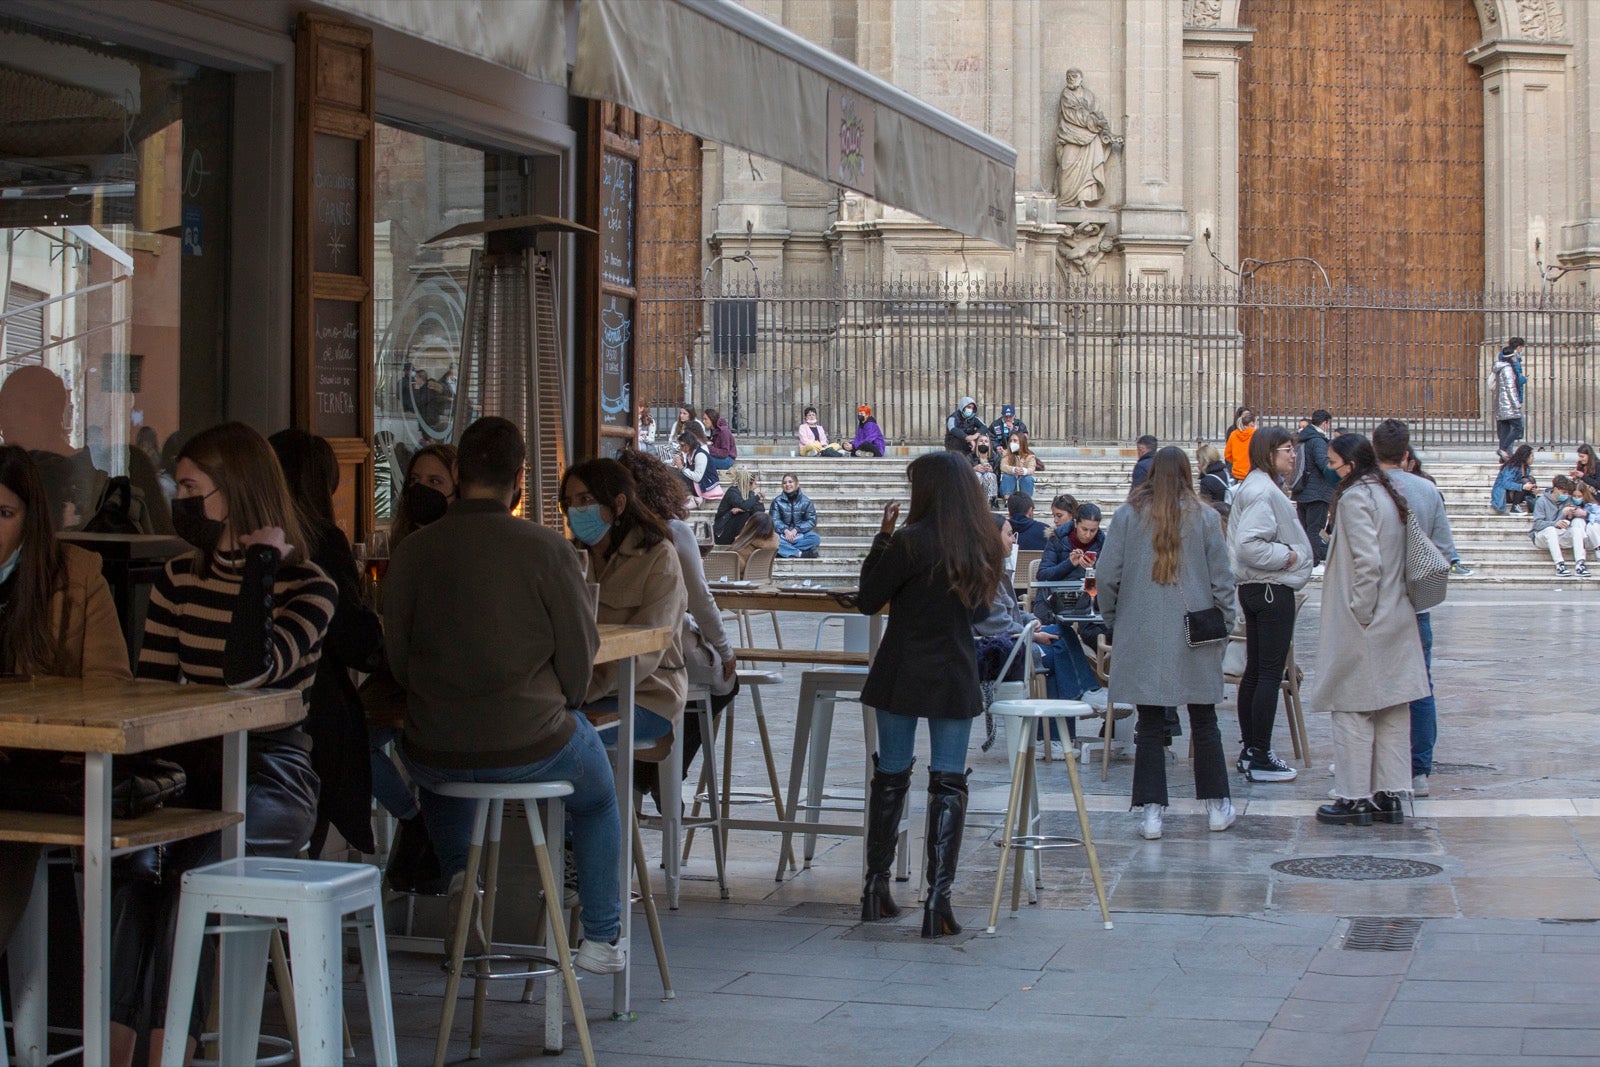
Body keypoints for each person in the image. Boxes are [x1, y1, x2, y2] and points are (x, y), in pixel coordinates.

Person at [115, 422, 336, 1064]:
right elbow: (151, 691)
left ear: (235, 493)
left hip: (272, 774)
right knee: (132, 866)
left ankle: (170, 1049)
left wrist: (261, 565)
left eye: (191, 488)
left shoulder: (308, 586)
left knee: (194, 870)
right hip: (191, 769)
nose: (180, 501)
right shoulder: (178, 577)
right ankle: (118, 1046)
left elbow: (249, 672)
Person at [385, 418, 625, 975]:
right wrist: (563, 704)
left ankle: (460, 881)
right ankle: (602, 938)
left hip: (432, 743)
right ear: (520, 478)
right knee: (597, 798)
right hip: (531, 738)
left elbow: (397, 659)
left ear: (459, 474)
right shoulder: (545, 549)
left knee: (443, 779)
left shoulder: (414, 552)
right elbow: (577, 656)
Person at [855, 452, 1005, 936]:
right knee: (949, 782)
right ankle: (938, 901)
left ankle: (876, 888)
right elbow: (983, 612)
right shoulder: (981, 546)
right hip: (953, 670)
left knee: (891, 774)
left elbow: (867, 600)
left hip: (901, 669)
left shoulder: (908, 541)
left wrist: (882, 537)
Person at [0, 446, 131, 989]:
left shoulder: (75, 576)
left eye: (4, 514)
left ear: (32, 520)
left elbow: (110, 689)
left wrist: (37, 733)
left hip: (29, 772)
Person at [1097, 446, 1237, 841]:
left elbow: (1107, 576)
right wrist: (1224, 623)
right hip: (1195, 632)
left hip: (1141, 631)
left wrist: (1114, 620)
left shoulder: (1127, 516)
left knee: (1151, 722)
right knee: (1204, 719)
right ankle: (1216, 806)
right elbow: (1223, 580)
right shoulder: (1207, 518)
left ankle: (1152, 813)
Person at [268, 428, 382, 856]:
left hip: (251, 731)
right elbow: (355, 641)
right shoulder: (321, 542)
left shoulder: (242, 542)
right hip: (310, 724)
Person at [1311, 434, 1430, 825]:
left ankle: (1354, 797)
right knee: (1392, 709)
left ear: (1349, 461)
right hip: (1397, 613)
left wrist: (1359, 611)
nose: (1330, 469)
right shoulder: (1388, 492)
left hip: (1368, 618)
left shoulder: (1355, 498)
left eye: (1333, 462)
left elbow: (1368, 562)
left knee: (1352, 708)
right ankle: (1389, 794)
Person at [617, 448, 737, 802]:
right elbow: (701, 600)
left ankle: (648, 769)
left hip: (621, 661)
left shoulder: (605, 535)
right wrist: (726, 650)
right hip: (667, 653)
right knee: (728, 683)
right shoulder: (672, 531)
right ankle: (662, 769)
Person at [378, 441, 459, 893]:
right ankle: (415, 819)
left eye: (435, 482)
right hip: (406, 684)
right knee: (354, 739)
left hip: (443, 698)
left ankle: (442, 855)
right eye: (415, 482)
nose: (422, 491)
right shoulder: (403, 544)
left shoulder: (469, 549)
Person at [1373, 419, 1462, 797]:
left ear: (1374, 453)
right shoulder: (1428, 491)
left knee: (1373, 686)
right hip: (1415, 605)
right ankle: (1418, 770)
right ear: (1407, 454)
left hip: (1375, 604)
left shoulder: (1364, 490)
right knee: (1421, 686)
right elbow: (1444, 553)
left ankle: (1375, 766)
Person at [1226, 426, 1313, 784]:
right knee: (1267, 673)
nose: (1293, 456)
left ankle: (1252, 749)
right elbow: (1249, 545)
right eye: (1287, 450)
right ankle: (1260, 753)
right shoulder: (1263, 491)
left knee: (1257, 671)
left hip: (1258, 588)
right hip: (1269, 588)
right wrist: (1289, 556)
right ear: (1269, 453)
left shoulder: (1258, 487)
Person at [1292, 409, 1339, 573]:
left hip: (1302, 490)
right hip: (1317, 492)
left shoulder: (1303, 438)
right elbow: (1323, 464)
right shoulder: (1318, 440)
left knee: (1305, 528)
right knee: (1315, 528)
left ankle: (1306, 559)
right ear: (1325, 422)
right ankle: (1314, 561)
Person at [1530, 474, 1590, 577]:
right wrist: (1556, 522)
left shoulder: (1567, 501)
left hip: (1560, 535)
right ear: (1556, 489)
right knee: (1550, 530)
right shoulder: (1542, 501)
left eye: (1567, 493)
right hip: (1542, 536)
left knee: (1576, 530)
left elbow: (1571, 519)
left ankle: (1580, 564)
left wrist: (1572, 514)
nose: (1566, 495)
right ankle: (1560, 565)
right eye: (1564, 492)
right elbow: (1538, 524)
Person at [1492, 337, 1527, 458]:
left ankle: (1504, 455)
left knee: (1505, 430)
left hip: (1502, 405)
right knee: (1518, 427)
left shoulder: (1500, 367)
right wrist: (1516, 403)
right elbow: (1511, 388)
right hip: (1509, 405)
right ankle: (1503, 450)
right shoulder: (1507, 369)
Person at [772, 473, 820, 558]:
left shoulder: (806, 501)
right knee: (772, 540)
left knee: (815, 538)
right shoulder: (777, 501)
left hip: (800, 535)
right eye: (784, 483)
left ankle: (785, 551)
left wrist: (796, 530)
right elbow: (774, 520)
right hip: (782, 536)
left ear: (797, 484)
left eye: (790, 482)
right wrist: (785, 530)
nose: (787, 485)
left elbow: (811, 520)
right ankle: (800, 553)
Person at [713, 467, 765, 544]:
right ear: (748, 484)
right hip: (722, 533)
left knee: (753, 515)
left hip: (734, 532)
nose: (756, 487)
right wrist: (757, 497)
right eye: (755, 484)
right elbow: (743, 505)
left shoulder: (749, 495)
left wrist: (745, 508)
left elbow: (760, 510)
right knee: (744, 514)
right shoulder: (732, 492)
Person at [1037, 493, 1080, 581]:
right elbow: (1042, 574)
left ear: (1072, 515)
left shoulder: (1094, 538)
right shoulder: (1054, 539)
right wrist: (1069, 563)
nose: (1055, 520)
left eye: (1059, 516)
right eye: (1054, 515)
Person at [676, 429, 723, 500]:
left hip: (706, 487)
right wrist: (683, 464)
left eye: (682, 445)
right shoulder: (690, 454)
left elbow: (697, 477)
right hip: (698, 485)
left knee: (676, 475)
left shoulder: (700, 455)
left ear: (689, 444)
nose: (681, 448)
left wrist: (682, 468)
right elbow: (690, 471)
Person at [1491, 444, 1537, 515]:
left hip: (1514, 493)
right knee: (1525, 481)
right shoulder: (1512, 466)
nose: (1533, 458)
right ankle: (1514, 507)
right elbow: (1505, 483)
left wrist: (1534, 489)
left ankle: (1532, 505)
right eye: (1532, 456)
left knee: (1531, 479)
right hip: (1504, 494)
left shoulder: (1526, 468)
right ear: (1526, 456)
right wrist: (1522, 487)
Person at [1196, 442, 1231, 520]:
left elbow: (1205, 508)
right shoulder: (1227, 473)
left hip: (1218, 519)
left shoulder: (1206, 481)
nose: (1197, 465)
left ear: (1204, 462)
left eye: (1199, 462)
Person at [1000, 431, 1039, 498]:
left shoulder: (1029, 456)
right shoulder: (1006, 454)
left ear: (1021, 442)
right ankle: (1007, 499)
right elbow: (1003, 466)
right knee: (1007, 477)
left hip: (1022, 480)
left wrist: (1024, 471)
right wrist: (1013, 469)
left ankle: (1026, 499)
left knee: (1028, 479)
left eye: (1015, 441)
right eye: (1011, 441)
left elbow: (1031, 468)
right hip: (1011, 483)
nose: (1012, 443)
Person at [1224, 407, 1256, 482]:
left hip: (1237, 474)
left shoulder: (1233, 434)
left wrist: (1236, 461)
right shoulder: (1256, 434)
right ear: (1252, 423)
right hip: (1251, 474)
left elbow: (1227, 455)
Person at [705, 406, 738, 471]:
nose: (703, 421)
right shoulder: (714, 430)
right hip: (719, 458)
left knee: (702, 459)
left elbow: (724, 452)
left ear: (712, 419)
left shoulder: (724, 431)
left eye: (706, 419)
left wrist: (708, 447)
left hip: (727, 460)